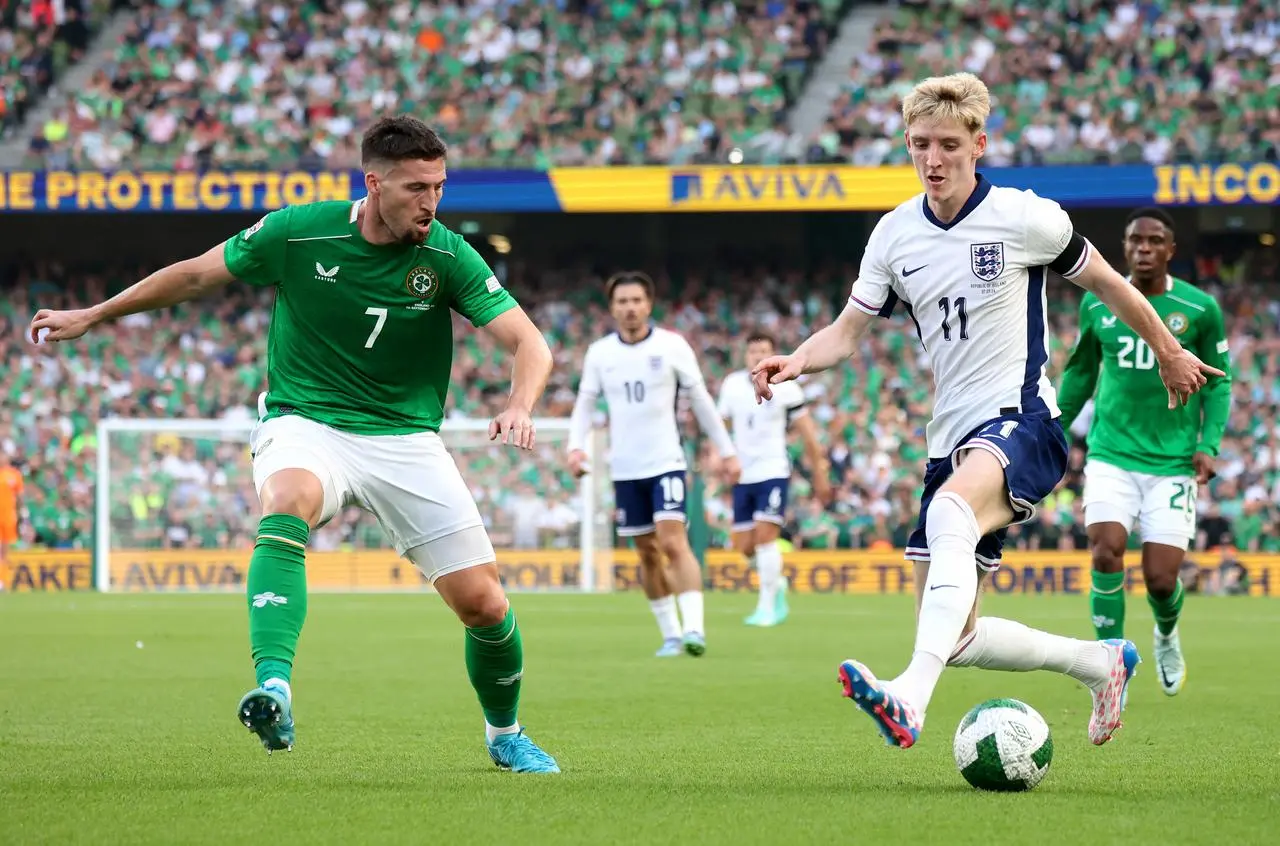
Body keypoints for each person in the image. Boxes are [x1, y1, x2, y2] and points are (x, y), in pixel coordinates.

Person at [29, 115, 562, 773]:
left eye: (440, 187)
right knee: (287, 500)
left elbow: (529, 341)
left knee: (485, 604)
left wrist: (519, 404)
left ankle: (504, 734)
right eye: (417, 188)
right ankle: (274, 688)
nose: (431, 204)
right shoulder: (298, 230)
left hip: (404, 437)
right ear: (373, 182)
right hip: (306, 421)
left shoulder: (447, 254)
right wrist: (96, 313)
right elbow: (197, 275)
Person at [750, 73, 1221, 749]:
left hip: (1021, 418)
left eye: (947, 144)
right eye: (919, 145)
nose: (932, 159)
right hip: (952, 437)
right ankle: (1101, 664)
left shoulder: (1026, 217)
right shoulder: (893, 236)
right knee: (957, 633)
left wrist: (1170, 349)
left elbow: (1111, 285)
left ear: (979, 143)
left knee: (949, 512)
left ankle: (909, 699)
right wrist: (798, 358)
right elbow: (847, 332)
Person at [1058, 206, 1232, 696]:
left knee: (1159, 579)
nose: (1145, 249)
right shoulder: (1098, 304)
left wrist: (1208, 444)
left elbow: (1219, 384)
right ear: (1125, 248)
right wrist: (1052, 429)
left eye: (1156, 241)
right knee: (1106, 549)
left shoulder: (1200, 310)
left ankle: (1166, 632)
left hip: (1172, 461)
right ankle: (1109, 669)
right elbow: (1080, 374)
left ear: (1171, 250)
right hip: (1111, 453)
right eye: (1136, 241)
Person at [567, 271, 741, 657]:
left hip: (666, 461)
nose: (629, 308)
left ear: (649, 304)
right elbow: (584, 404)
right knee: (646, 552)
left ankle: (695, 627)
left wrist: (726, 451)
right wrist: (575, 447)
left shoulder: (672, 346)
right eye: (622, 302)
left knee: (672, 540)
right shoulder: (600, 354)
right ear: (612, 308)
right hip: (625, 468)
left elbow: (701, 402)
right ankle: (672, 634)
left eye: (636, 300)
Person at [717, 330, 830, 626]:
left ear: (772, 353)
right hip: (743, 473)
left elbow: (807, 433)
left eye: (763, 351)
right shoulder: (731, 385)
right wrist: (719, 456)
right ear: (745, 355)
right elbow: (722, 425)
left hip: (772, 471)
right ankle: (775, 582)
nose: (757, 356)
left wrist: (819, 471)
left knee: (767, 538)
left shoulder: (787, 386)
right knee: (743, 546)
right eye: (752, 351)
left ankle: (767, 607)